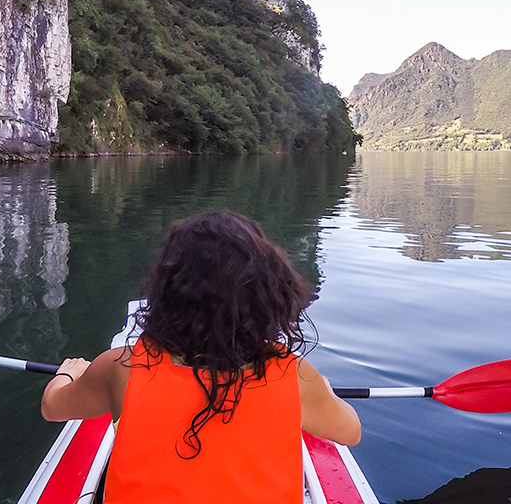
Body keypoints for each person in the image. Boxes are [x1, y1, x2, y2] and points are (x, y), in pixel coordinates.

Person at [40, 210, 361, 502]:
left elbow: (52, 408)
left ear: (166, 293)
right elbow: (351, 431)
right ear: (267, 298)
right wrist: (324, 392)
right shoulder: (297, 375)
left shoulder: (119, 368)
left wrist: (68, 374)